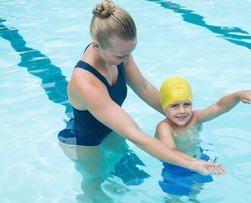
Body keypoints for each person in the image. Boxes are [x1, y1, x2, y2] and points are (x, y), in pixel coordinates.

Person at [57, 0, 225, 177]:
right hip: (87, 141)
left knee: (122, 166)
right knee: (96, 186)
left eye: (130, 52)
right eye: (121, 56)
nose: (127, 59)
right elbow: (136, 135)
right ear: (96, 46)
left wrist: (183, 118)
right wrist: (192, 164)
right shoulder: (86, 84)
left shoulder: (117, 51)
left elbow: (143, 87)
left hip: (111, 128)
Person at [155, 76, 251, 203]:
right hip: (175, 166)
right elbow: (170, 151)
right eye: (174, 106)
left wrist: (238, 95)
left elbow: (220, 107)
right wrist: (197, 163)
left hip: (200, 158)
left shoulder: (196, 118)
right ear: (164, 108)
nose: (182, 111)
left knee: (196, 188)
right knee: (174, 197)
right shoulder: (164, 127)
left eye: (187, 104)